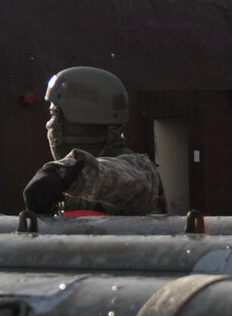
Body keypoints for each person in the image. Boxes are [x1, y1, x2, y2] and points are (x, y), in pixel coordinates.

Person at [21, 67, 164, 216]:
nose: (49, 124)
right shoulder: (69, 189)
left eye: (54, 114)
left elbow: (116, 179)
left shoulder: (140, 171)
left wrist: (61, 173)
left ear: (80, 120)